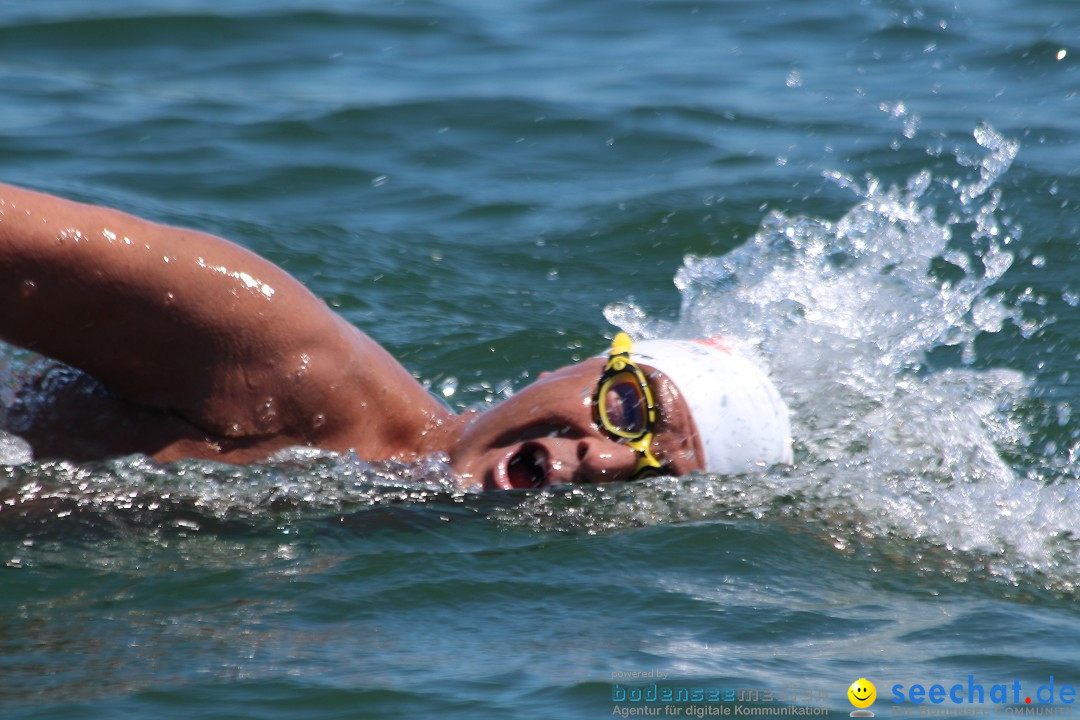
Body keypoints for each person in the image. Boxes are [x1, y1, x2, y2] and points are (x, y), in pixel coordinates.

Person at [0, 183, 793, 490]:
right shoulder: (273, 353)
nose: (607, 458)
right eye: (628, 409)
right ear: (579, 364)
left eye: (649, 475)